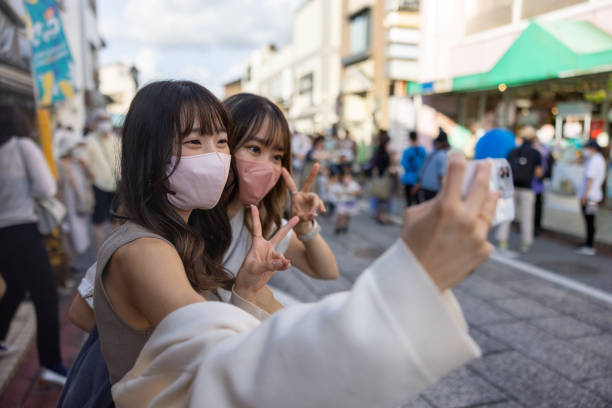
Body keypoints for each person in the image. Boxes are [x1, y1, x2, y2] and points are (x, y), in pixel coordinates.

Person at [72, 80, 500, 408]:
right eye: (194, 143)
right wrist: (414, 278)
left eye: (221, 142)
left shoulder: (191, 230)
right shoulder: (148, 247)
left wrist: (244, 290)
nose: (216, 157)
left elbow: (225, 344)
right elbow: (228, 365)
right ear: (149, 153)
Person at [223, 93, 338, 286]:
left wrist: (304, 228)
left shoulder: (259, 223)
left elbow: (327, 271)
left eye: (276, 157)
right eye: (254, 149)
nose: (267, 165)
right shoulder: (183, 220)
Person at [0, 105, 67, 385]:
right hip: (24, 229)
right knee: (46, 297)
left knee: (15, 286)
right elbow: (45, 188)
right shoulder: (22, 146)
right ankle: (51, 364)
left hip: (1, 233)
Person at [497, 126, 543, 253]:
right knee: (527, 216)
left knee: (507, 214)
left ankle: (502, 240)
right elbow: (538, 172)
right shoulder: (535, 153)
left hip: (511, 187)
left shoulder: (512, 152)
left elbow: (504, 170)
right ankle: (525, 243)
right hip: (527, 188)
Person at [79, 113, 121, 252]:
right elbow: (82, 159)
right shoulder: (89, 140)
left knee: (116, 220)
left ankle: (114, 251)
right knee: (98, 222)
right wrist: (91, 173)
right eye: (101, 120)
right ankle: (99, 255)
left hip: (115, 184)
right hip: (98, 185)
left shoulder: (115, 139)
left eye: (106, 119)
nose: (104, 123)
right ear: (95, 123)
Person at [56, 134, 93, 278]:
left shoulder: (79, 162)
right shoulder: (59, 164)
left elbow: (92, 177)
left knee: (79, 232)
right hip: (67, 205)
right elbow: (58, 186)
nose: (78, 150)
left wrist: (86, 166)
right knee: (69, 233)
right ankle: (70, 264)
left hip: (79, 205)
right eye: (75, 147)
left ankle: (74, 262)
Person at [575, 140, 606, 255]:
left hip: (590, 197)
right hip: (592, 196)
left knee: (590, 220)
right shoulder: (596, 159)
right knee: (589, 220)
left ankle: (589, 245)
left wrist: (585, 195)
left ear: (592, 149)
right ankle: (588, 243)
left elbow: (590, 179)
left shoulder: (595, 161)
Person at [415, 128, 450, 201]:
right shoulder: (443, 155)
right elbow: (442, 176)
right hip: (434, 189)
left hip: (426, 186)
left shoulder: (432, 153)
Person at [329, 167, 362, 234]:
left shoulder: (353, 184)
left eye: (348, 178)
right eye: (345, 178)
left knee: (348, 216)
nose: (347, 179)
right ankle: (337, 227)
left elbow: (360, 192)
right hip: (342, 202)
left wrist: (353, 193)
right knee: (341, 215)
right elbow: (334, 191)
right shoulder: (339, 185)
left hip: (350, 202)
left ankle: (345, 226)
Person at [370, 129, 392, 224]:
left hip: (377, 177)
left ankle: (378, 215)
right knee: (384, 199)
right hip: (384, 178)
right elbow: (388, 166)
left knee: (379, 199)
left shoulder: (377, 153)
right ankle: (383, 217)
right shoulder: (386, 154)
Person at [401, 130, 426, 206]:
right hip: (419, 179)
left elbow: (404, 164)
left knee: (409, 202)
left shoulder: (407, 151)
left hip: (409, 179)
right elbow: (425, 164)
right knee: (418, 201)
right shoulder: (423, 150)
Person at [532, 134, 549, 236]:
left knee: (537, 206)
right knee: (534, 207)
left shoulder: (542, 149)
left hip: (537, 184)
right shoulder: (534, 150)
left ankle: (537, 227)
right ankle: (534, 227)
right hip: (533, 184)